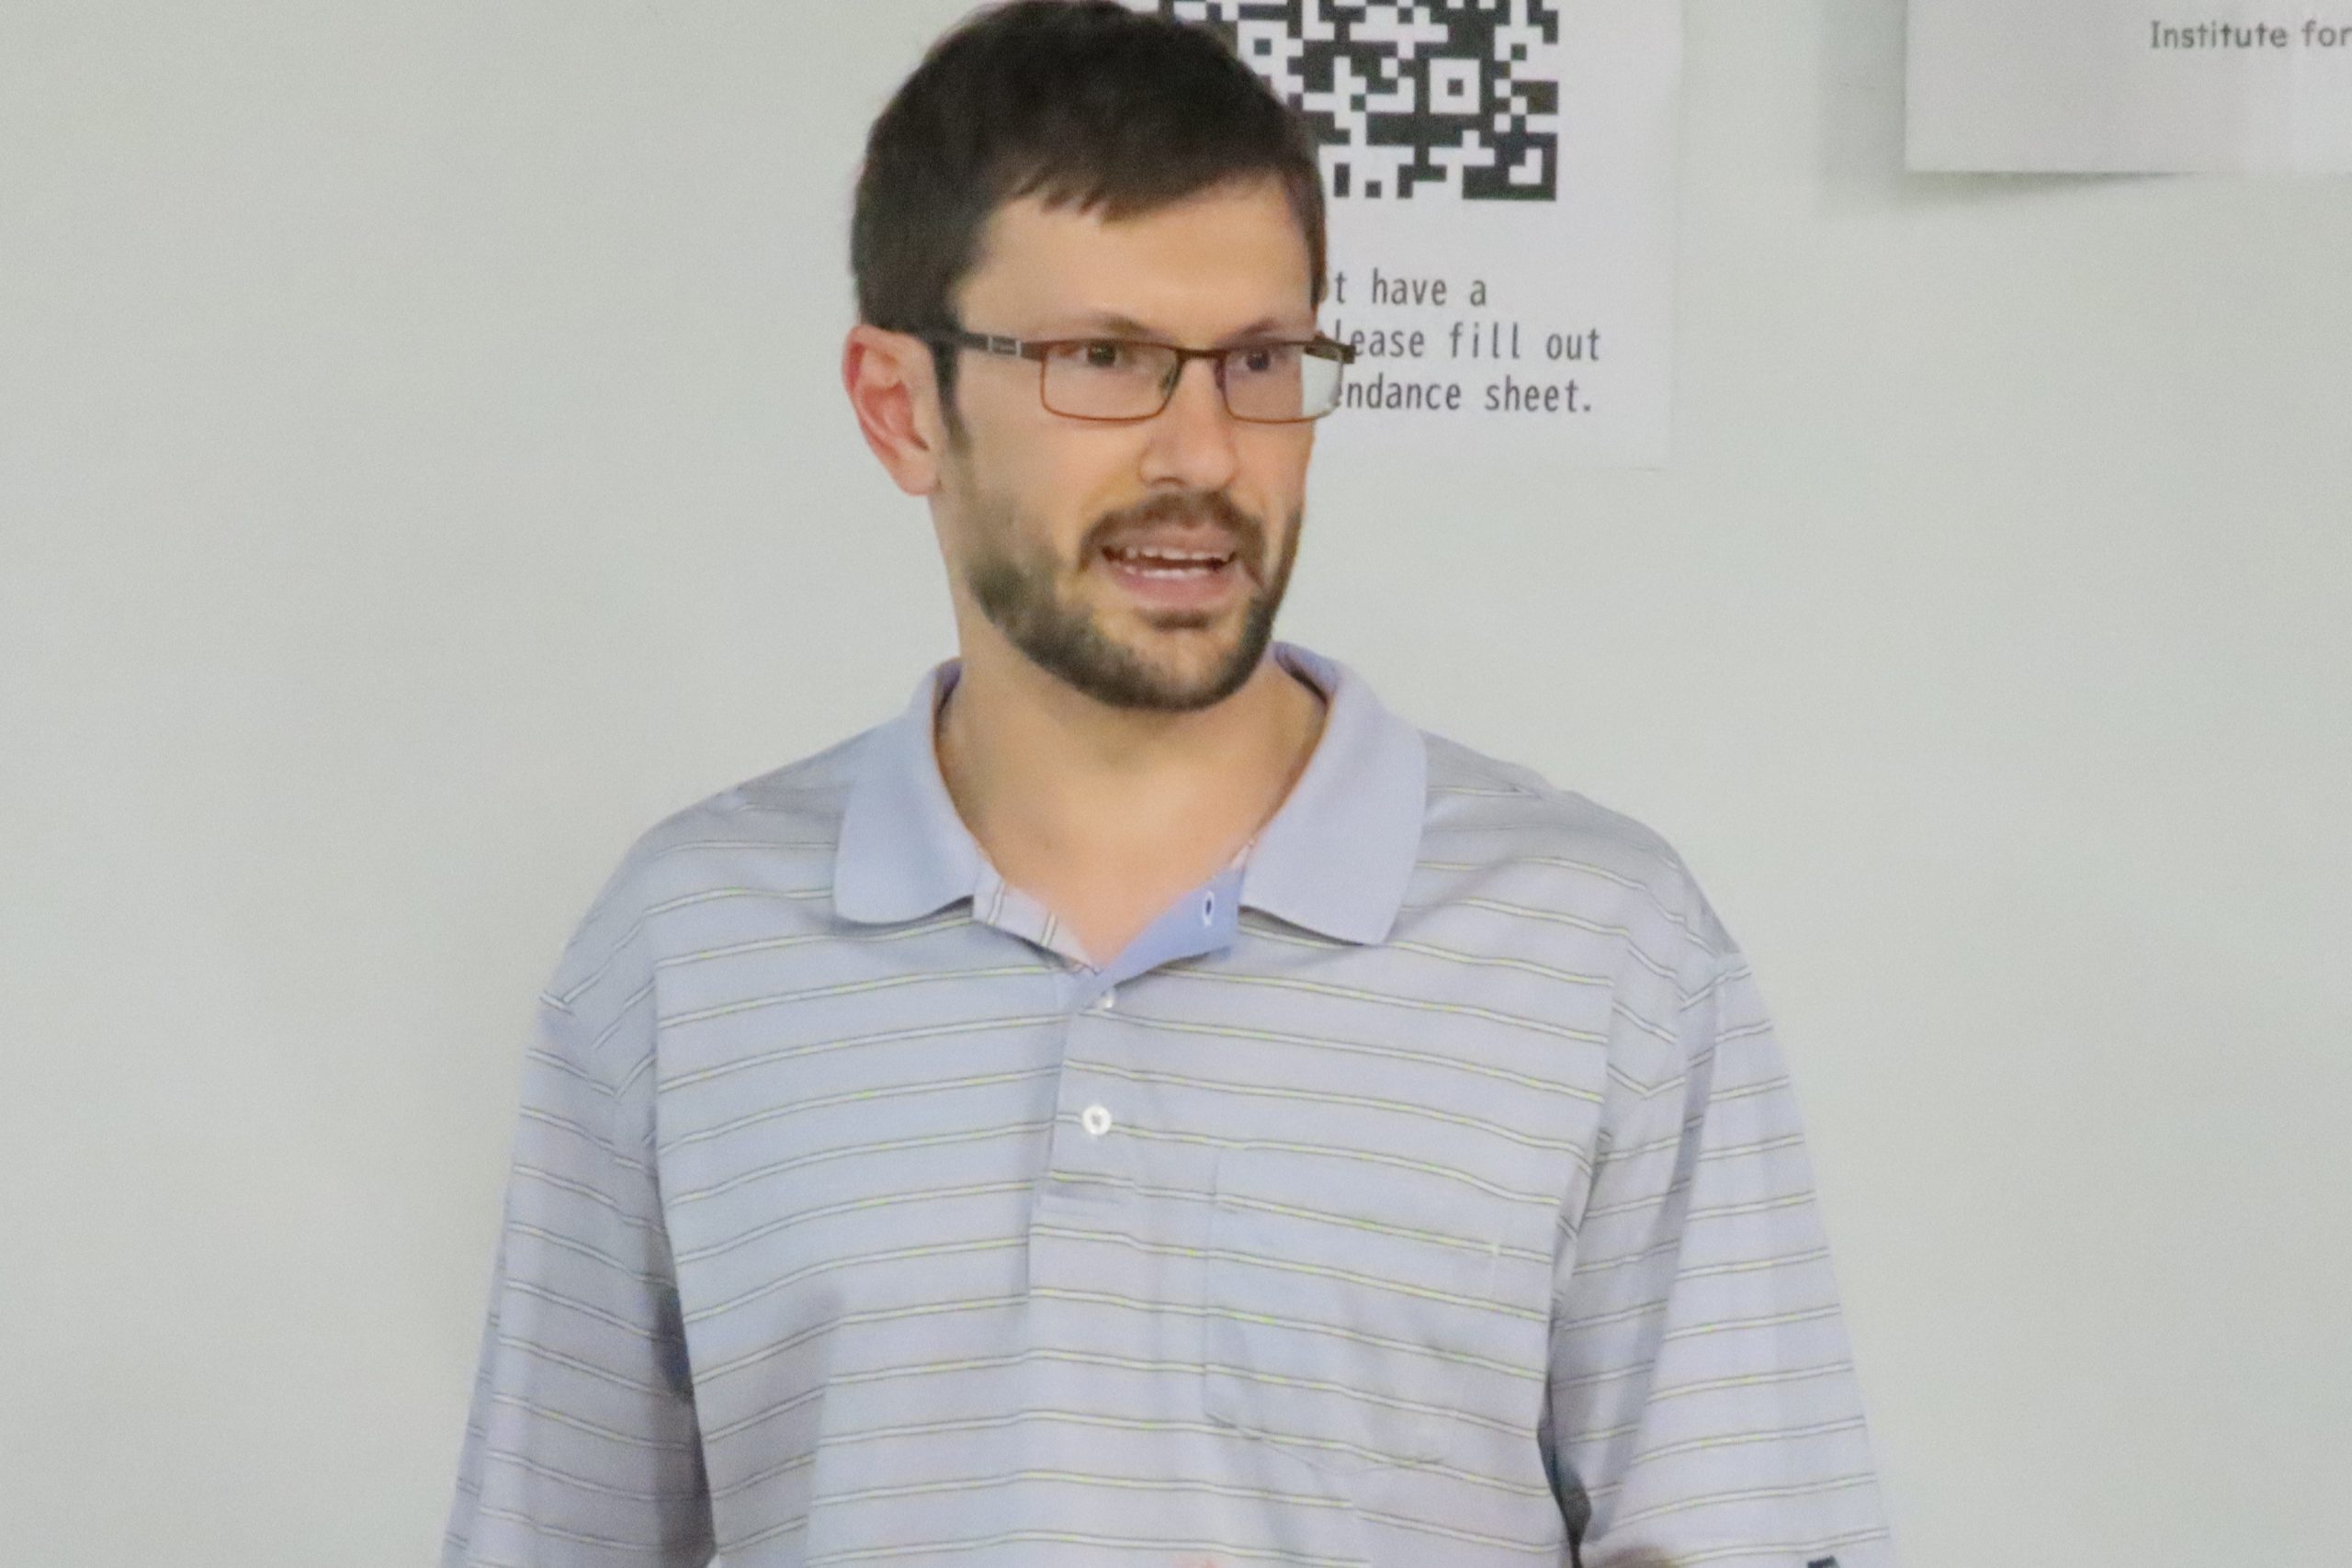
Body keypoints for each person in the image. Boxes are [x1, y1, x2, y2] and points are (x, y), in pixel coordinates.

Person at [440, 4, 1898, 1564]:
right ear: (902, 408)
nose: (1204, 454)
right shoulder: (684, 954)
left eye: (1258, 362)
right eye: (1106, 361)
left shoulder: (1603, 953)